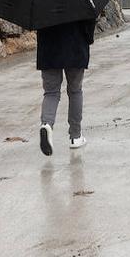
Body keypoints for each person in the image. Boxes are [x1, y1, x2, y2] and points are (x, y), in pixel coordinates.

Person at [36, 17, 96, 156]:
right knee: (75, 91)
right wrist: (89, 38)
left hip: (48, 49)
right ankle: (75, 136)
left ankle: (47, 124)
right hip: (76, 46)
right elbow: (90, 16)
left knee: (51, 93)